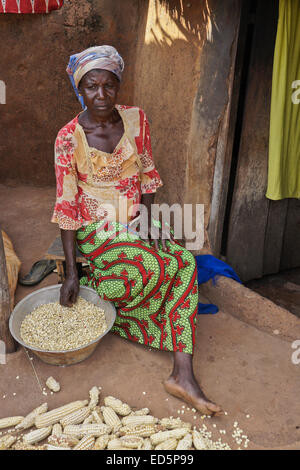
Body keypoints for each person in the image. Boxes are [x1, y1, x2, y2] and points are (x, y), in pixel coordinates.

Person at [51, 45, 222, 416]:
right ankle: (98, 289)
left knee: (185, 264)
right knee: (153, 268)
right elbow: (66, 207)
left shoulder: (136, 119)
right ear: (80, 89)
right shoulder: (68, 138)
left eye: (109, 86)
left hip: (137, 218)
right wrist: (70, 268)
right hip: (96, 228)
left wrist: (146, 220)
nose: (101, 95)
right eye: (91, 87)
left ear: (118, 86)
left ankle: (182, 373)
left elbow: (147, 175)